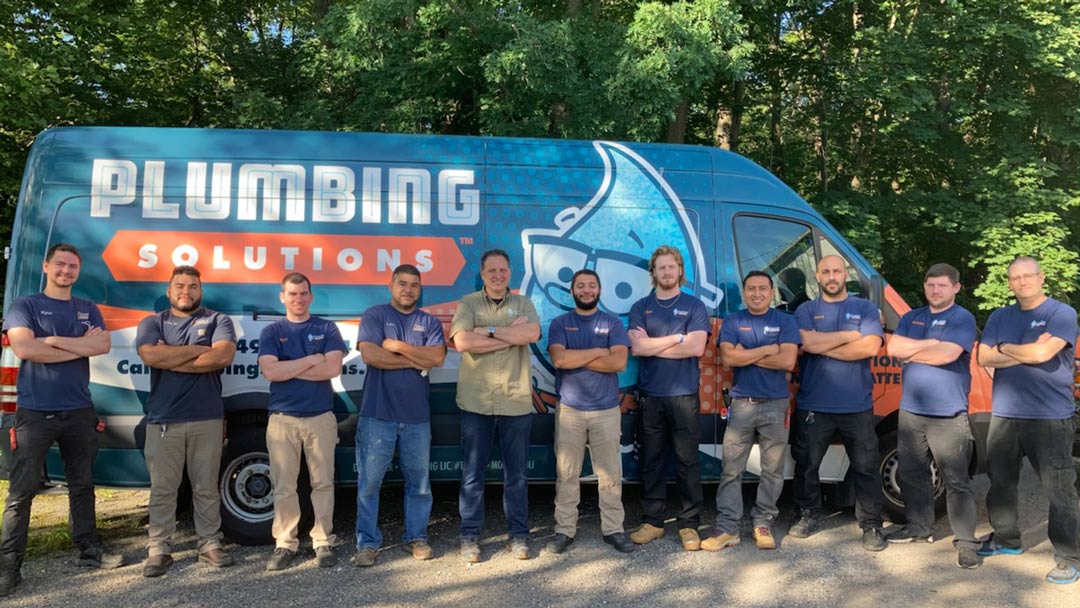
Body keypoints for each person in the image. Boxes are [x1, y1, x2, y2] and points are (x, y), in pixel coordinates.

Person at [0, 243, 122, 598]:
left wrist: (52, 339)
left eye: (72, 267)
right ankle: (10, 567)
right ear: (46, 266)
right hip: (35, 412)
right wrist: (75, 345)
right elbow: (25, 349)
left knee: (82, 485)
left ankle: (89, 550)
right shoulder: (26, 306)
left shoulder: (86, 308)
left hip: (79, 410)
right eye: (60, 265)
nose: (66, 271)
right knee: (21, 493)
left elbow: (101, 347)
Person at [976, 256, 1080, 585]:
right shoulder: (1000, 315)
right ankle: (1006, 539)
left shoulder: (1061, 313)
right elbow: (982, 357)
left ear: (1041, 277)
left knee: (1059, 490)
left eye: (1027, 276)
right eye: (1015, 277)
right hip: (1006, 413)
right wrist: (1020, 349)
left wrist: (1004, 348)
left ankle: (1069, 557)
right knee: (1001, 482)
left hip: (1050, 417)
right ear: (1009, 282)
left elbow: (1043, 355)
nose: (1021, 282)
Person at [135, 266, 238, 577]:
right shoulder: (152, 323)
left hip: (206, 417)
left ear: (200, 291)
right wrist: (197, 353)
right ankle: (159, 549)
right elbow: (151, 357)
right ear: (169, 291)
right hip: (163, 419)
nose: (186, 291)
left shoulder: (218, 320)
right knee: (163, 489)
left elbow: (221, 358)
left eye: (193, 286)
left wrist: (172, 356)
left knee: (206, 487)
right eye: (179, 285)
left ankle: (209, 544)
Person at [883, 263, 980, 569]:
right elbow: (893, 347)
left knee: (956, 480)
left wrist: (913, 351)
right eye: (930, 285)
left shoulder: (961, 318)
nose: (935, 290)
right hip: (911, 410)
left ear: (955, 288)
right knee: (912, 473)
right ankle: (919, 527)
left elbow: (948, 355)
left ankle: (966, 543)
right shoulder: (912, 317)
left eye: (941, 285)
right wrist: (928, 344)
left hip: (948, 413)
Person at [788, 255, 888, 551]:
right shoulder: (806, 309)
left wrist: (824, 345)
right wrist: (849, 336)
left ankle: (871, 525)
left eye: (837, 271)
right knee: (806, 464)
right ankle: (807, 514)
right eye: (825, 272)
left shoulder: (865, 308)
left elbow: (869, 347)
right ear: (817, 277)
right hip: (813, 403)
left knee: (866, 467)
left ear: (846, 275)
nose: (832, 276)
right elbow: (805, 344)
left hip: (856, 404)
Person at [449, 249, 541, 562]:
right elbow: (461, 342)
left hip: (515, 400)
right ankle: (470, 536)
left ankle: (518, 536)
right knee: (472, 474)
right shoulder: (469, 303)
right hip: (476, 401)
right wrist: (510, 336)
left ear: (509, 272)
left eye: (503, 270)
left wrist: (486, 330)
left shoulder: (524, 303)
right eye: (492, 270)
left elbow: (532, 333)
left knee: (516, 476)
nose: (498, 275)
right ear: (483, 273)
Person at [352, 264, 446, 567]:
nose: (408, 289)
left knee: (418, 484)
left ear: (420, 289)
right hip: (377, 416)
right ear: (391, 286)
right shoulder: (375, 315)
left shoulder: (428, 321)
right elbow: (371, 355)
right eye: (402, 283)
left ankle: (416, 537)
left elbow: (437, 358)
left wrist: (398, 348)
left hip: (417, 418)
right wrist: (415, 359)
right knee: (369, 484)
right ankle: (367, 542)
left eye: (414, 285)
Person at [702, 271, 799, 552]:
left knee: (773, 470)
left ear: (772, 292)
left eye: (763, 288)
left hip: (776, 404)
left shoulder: (785, 321)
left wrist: (750, 353)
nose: (757, 293)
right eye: (751, 289)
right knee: (731, 469)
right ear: (744, 293)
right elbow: (730, 358)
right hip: (742, 403)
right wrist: (769, 349)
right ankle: (728, 527)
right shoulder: (733, 320)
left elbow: (789, 361)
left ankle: (763, 521)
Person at [257, 273, 347, 571]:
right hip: (283, 420)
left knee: (323, 483)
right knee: (284, 485)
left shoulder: (326, 328)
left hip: (320, 417)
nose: (298, 299)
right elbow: (271, 372)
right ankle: (285, 543)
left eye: (303, 293)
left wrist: (289, 367)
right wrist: (311, 360)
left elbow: (332, 368)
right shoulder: (272, 331)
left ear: (311, 296)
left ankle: (322, 541)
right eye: (292, 294)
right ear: (282, 297)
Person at [545, 269, 635, 555]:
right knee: (567, 474)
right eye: (581, 286)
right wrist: (599, 352)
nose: (586, 290)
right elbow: (560, 359)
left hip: (606, 410)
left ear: (599, 290)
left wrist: (579, 358)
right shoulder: (560, 323)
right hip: (570, 409)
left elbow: (619, 363)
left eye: (591, 285)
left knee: (609, 475)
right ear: (572, 291)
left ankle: (613, 530)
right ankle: (564, 530)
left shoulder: (612, 323)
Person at [627, 245, 710, 551]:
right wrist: (677, 337)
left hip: (684, 396)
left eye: (671, 267)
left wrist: (654, 343)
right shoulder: (640, 307)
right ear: (654, 273)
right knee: (652, 460)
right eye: (661, 268)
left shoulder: (694, 305)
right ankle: (653, 521)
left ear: (680, 271)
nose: (666, 272)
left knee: (688, 461)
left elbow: (697, 348)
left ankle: (689, 524)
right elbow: (638, 349)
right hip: (650, 396)